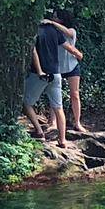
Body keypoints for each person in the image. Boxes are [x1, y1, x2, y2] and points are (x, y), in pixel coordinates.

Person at [26, 17, 69, 148]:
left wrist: (39, 71)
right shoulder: (54, 30)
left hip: (41, 73)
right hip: (56, 73)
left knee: (26, 102)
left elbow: (34, 52)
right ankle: (62, 141)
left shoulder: (33, 30)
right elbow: (66, 45)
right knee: (58, 107)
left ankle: (39, 132)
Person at [50, 10, 88, 134]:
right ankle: (53, 122)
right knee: (55, 94)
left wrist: (51, 22)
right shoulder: (53, 31)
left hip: (72, 66)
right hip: (57, 66)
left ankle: (77, 122)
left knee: (75, 94)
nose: (53, 18)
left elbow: (67, 32)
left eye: (55, 17)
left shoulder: (72, 30)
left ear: (62, 19)